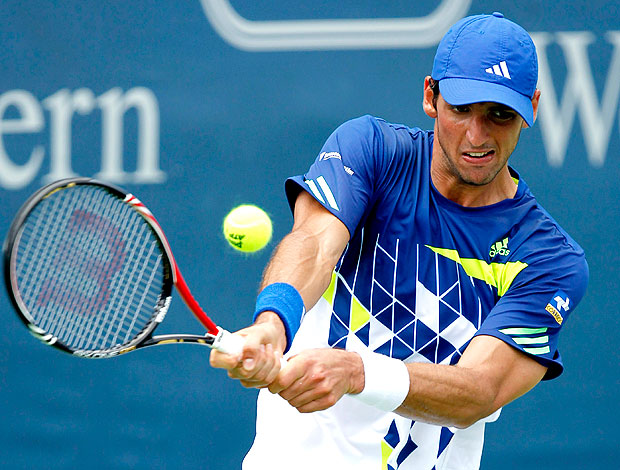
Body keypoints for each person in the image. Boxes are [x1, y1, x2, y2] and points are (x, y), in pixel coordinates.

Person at [211, 12, 589, 470]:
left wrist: (355, 372)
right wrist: (274, 322)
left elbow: (479, 391)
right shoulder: (372, 151)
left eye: (499, 115)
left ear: (532, 107)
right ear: (431, 96)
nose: (477, 135)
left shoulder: (548, 259)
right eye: (461, 109)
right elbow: (314, 242)